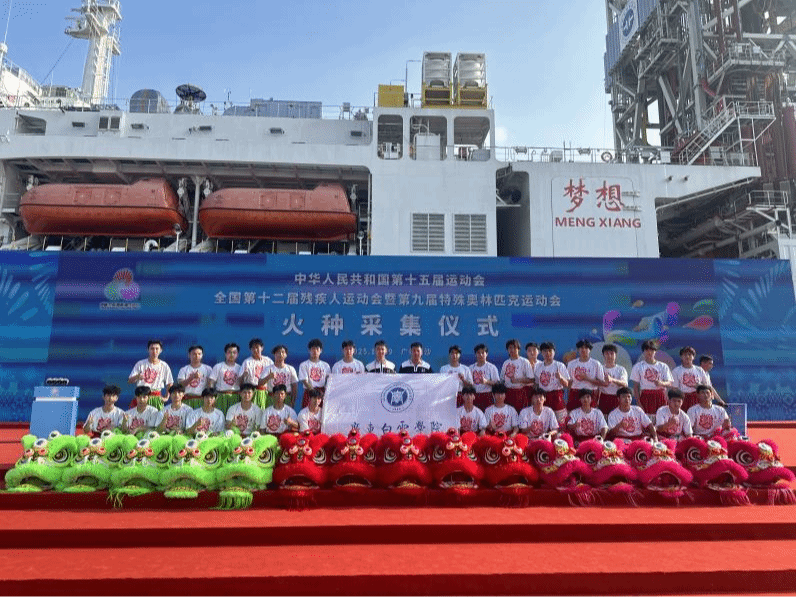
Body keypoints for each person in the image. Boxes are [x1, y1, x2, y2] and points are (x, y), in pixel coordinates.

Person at [629, 340, 672, 417]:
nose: (649, 352)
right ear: (643, 351)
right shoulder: (638, 366)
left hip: (660, 396)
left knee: (661, 419)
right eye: (647, 350)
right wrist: (638, 403)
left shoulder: (663, 366)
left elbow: (670, 383)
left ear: (655, 351)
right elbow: (636, 387)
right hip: (645, 396)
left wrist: (661, 383)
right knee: (646, 420)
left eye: (652, 350)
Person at [127, 339, 173, 410]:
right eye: (152, 348)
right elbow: (130, 380)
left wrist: (167, 397)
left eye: (157, 349)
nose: (154, 351)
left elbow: (169, 383)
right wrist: (137, 376)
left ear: (161, 350)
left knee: (157, 416)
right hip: (141, 397)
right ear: (148, 350)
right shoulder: (140, 364)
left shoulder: (164, 365)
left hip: (156, 398)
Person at [533, 341, 570, 425]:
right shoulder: (538, 366)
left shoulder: (560, 365)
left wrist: (560, 378)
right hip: (543, 397)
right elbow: (536, 384)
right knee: (544, 421)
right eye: (545, 351)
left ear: (554, 352)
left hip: (556, 396)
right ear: (541, 352)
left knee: (560, 421)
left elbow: (567, 384)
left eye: (550, 351)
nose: (547, 353)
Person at [566, 339, 605, 411]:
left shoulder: (596, 364)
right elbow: (569, 383)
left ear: (590, 350)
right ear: (578, 349)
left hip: (591, 393)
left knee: (590, 415)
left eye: (586, 348)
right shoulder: (571, 364)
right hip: (575, 393)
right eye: (581, 348)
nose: (583, 350)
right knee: (573, 414)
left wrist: (587, 378)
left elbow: (602, 383)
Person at [239, 338, 274, 410]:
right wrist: (243, 375)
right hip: (251, 393)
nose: (255, 350)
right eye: (253, 348)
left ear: (262, 348)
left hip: (266, 393)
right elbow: (240, 381)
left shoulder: (268, 361)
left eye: (257, 347)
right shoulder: (247, 362)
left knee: (265, 413)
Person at [672, 346, 709, 412]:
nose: (687, 356)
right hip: (683, 398)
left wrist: (699, 386)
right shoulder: (676, 371)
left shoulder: (699, 370)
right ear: (681, 357)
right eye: (685, 355)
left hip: (698, 398)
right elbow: (675, 389)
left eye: (689, 354)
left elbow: (707, 386)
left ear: (693, 357)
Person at [501, 338, 534, 412]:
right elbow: (502, 380)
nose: (512, 350)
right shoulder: (506, 363)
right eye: (510, 348)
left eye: (514, 348)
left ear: (518, 349)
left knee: (521, 413)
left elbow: (531, 380)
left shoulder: (524, 362)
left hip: (520, 393)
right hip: (508, 393)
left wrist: (518, 380)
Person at [209, 342, 242, 414]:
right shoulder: (218, 367)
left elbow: (242, 384)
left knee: (234, 418)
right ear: (225, 353)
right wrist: (211, 397)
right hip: (221, 397)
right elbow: (211, 382)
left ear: (237, 354)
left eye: (234, 352)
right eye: (229, 352)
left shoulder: (240, 368)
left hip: (235, 397)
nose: (232, 354)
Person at [298, 338, 331, 407]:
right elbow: (304, 380)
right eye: (313, 349)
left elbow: (328, 380)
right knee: (307, 412)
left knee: (321, 412)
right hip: (309, 392)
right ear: (309, 350)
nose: (315, 351)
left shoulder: (325, 365)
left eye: (317, 349)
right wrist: (313, 391)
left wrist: (322, 393)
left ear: (321, 351)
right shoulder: (304, 365)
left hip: (322, 393)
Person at [469, 344, 500, 411]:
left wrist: (486, 382)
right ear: (475, 354)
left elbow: (497, 383)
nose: (481, 355)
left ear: (487, 354)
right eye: (478, 353)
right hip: (474, 396)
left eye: (483, 353)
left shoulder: (492, 367)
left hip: (487, 396)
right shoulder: (471, 368)